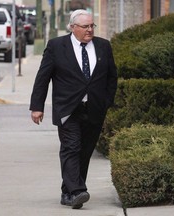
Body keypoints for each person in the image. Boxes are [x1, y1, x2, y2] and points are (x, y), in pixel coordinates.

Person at [29, 9, 117, 209]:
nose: (89, 30)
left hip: (94, 108)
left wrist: (106, 102)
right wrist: (37, 106)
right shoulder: (57, 46)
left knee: (84, 151)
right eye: (85, 27)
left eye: (92, 26)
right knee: (71, 147)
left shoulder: (103, 46)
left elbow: (112, 77)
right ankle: (78, 191)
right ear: (73, 27)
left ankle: (68, 192)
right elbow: (43, 77)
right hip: (68, 108)